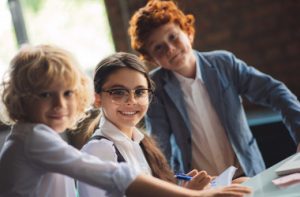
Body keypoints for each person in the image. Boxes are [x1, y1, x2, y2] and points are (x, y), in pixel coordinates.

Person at [0, 44, 251, 197]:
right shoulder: (37, 139)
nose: (60, 105)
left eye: (67, 93)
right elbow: (116, 176)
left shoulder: (140, 142)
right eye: (45, 94)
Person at [128, 0, 300, 177]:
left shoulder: (224, 63)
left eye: (173, 37)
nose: (170, 49)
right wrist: (169, 185)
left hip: (247, 174)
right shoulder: (156, 89)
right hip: (203, 186)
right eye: (158, 47)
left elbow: (274, 92)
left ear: (188, 33)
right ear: (152, 59)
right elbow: (160, 145)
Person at [77, 52, 213, 197]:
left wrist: (185, 190)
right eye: (118, 92)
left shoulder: (143, 143)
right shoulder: (98, 150)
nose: (131, 100)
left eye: (140, 92)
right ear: (97, 99)